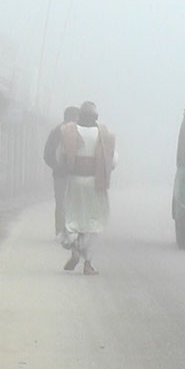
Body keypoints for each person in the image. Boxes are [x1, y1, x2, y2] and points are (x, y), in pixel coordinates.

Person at [58, 101, 117, 275]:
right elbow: (113, 161)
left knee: (72, 218)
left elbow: (60, 158)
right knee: (93, 222)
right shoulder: (104, 134)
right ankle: (88, 264)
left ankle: (74, 247)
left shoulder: (69, 131)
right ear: (96, 117)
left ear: (79, 116)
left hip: (74, 182)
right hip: (95, 183)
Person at [43, 105, 80, 240]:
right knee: (75, 202)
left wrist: (56, 166)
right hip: (76, 175)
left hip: (59, 175)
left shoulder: (55, 131)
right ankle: (73, 232)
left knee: (60, 203)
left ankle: (60, 232)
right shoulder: (79, 132)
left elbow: (46, 154)